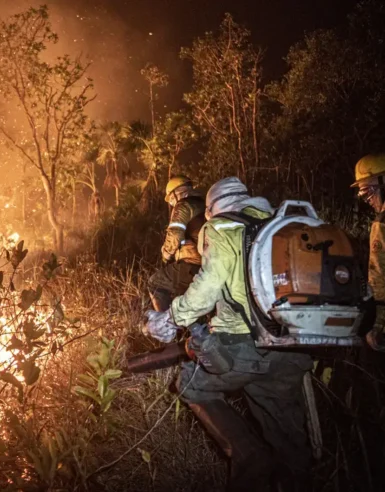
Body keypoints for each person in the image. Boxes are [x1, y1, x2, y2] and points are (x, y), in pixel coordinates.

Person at [144, 177, 313, 491]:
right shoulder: (278, 225)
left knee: (191, 385)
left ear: (210, 210)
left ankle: (249, 455)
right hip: (292, 347)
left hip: (243, 347)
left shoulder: (221, 227)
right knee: (285, 434)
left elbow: (208, 286)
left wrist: (171, 318)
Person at [147, 175, 206, 312]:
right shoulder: (203, 204)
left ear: (176, 193)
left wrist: (166, 255)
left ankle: (165, 327)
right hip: (209, 264)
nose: (172, 203)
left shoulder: (183, 205)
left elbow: (175, 234)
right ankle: (191, 329)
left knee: (155, 283)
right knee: (185, 300)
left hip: (193, 264)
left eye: (171, 198)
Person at [351, 153, 385, 352]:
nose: (368, 200)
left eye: (369, 192)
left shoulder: (382, 224)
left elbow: (379, 275)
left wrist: (377, 323)